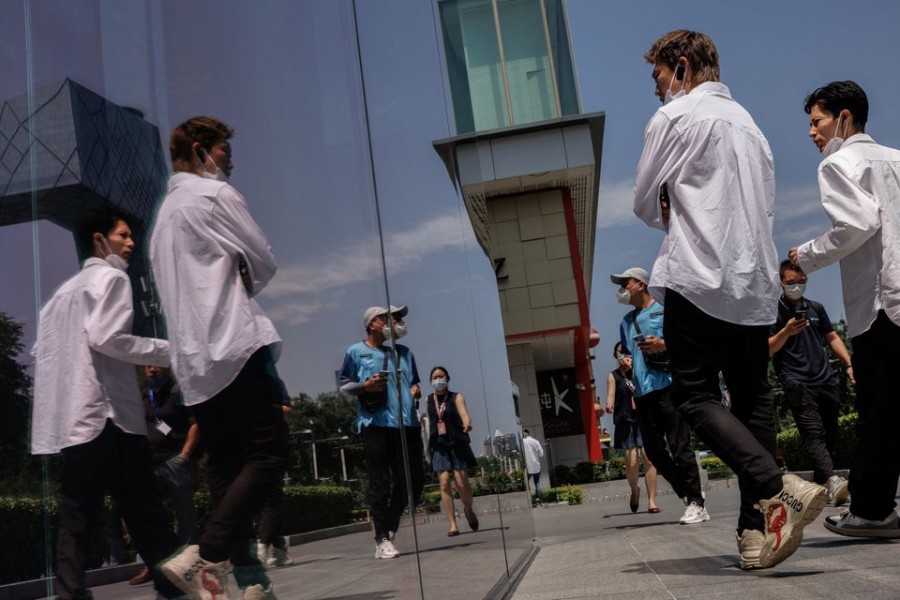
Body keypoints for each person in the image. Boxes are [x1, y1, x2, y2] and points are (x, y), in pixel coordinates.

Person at [634, 30, 827, 569]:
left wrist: (674, 203)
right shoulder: (752, 127)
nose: (656, 90)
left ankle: (776, 484)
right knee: (752, 399)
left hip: (697, 274)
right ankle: (753, 530)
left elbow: (646, 204)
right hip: (754, 280)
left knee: (695, 398)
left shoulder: (674, 118)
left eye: (658, 77)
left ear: (682, 66)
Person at [151, 116, 289, 599]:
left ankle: (245, 579)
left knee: (228, 470)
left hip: (194, 365)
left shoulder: (161, 222)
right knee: (269, 455)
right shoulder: (213, 195)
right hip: (232, 344)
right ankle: (203, 554)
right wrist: (241, 269)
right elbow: (264, 259)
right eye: (223, 152)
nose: (229, 162)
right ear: (199, 148)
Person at [30, 207, 183, 600]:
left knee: (77, 516)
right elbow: (107, 337)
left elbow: (45, 358)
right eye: (123, 236)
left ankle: (70, 594)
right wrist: (170, 352)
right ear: (99, 239)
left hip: (77, 421)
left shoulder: (59, 298)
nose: (131, 244)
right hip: (112, 416)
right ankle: (176, 587)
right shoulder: (113, 277)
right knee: (143, 509)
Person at [790, 80, 900, 539]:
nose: (812, 133)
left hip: (879, 304)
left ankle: (874, 512)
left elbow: (858, 222)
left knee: (880, 410)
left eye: (817, 121)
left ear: (844, 118)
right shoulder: (896, 158)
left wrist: (807, 254)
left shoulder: (838, 162)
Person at [611, 267, 708, 524]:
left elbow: (685, 344)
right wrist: (627, 363)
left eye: (625, 283)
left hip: (667, 386)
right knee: (653, 451)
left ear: (641, 285)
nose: (621, 289)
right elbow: (628, 352)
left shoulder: (664, 311)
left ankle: (696, 501)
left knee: (679, 446)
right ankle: (690, 495)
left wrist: (663, 344)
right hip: (642, 394)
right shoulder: (625, 322)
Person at [339, 305, 424, 559]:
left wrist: (416, 391)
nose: (394, 321)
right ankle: (381, 539)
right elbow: (344, 387)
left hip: (407, 424)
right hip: (375, 424)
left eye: (396, 318)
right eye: (388, 318)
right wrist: (366, 385)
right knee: (380, 482)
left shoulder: (405, 353)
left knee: (415, 480)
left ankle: (389, 525)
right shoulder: (356, 351)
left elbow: (415, 382)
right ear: (372, 323)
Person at [769, 260, 853, 505]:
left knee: (831, 432)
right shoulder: (771, 311)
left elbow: (832, 336)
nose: (796, 286)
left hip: (825, 379)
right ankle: (831, 479)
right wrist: (785, 332)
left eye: (801, 281)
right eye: (791, 282)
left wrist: (848, 362)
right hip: (796, 381)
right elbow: (767, 349)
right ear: (781, 282)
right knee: (813, 432)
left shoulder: (816, 308)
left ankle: (819, 484)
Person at [130, 365, 200, 586]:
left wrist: (185, 454)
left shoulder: (178, 392)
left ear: (165, 367)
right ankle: (154, 564)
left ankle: (190, 563)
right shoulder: (141, 395)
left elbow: (196, 424)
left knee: (184, 513)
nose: (151, 370)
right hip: (149, 462)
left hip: (174, 460)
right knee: (148, 514)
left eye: (156, 366)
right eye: (147, 366)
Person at [606, 342, 659, 514]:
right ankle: (635, 490)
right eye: (621, 353)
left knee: (649, 458)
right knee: (632, 461)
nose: (625, 356)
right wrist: (609, 405)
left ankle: (652, 501)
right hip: (625, 420)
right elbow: (610, 396)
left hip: (643, 417)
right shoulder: (613, 376)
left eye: (627, 352)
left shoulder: (640, 369)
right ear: (616, 356)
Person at [425, 366, 479, 536]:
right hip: (438, 444)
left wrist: (467, 423)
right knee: (444, 481)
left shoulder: (456, 397)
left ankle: (468, 510)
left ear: (447, 378)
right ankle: (453, 524)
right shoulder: (428, 400)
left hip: (457, 442)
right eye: (435, 377)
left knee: (461, 481)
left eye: (441, 376)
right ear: (430, 381)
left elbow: (465, 415)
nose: (438, 379)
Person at [256, 399, 294, 569]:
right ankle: (279, 547)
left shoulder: (269, 383)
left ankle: (262, 548)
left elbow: (286, 411)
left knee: (269, 498)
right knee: (258, 500)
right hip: (248, 451)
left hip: (271, 449)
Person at [522, 429, 544, 506]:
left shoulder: (523, 442)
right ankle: (538, 500)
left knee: (524, 483)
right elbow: (541, 454)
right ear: (529, 433)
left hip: (527, 467)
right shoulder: (535, 441)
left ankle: (526, 500)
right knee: (537, 483)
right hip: (536, 466)